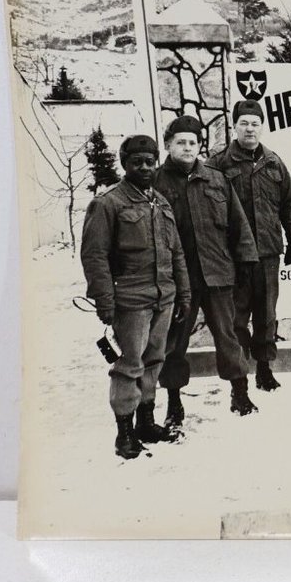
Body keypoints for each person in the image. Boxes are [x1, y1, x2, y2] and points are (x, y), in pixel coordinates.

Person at [80, 134, 191, 460]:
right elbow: (95, 256)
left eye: (150, 161)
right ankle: (124, 432)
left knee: (154, 361)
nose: (144, 167)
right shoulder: (108, 204)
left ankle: (146, 422)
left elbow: (177, 253)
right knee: (129, 365)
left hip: (163, 298)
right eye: (136, 162)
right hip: (131, 301)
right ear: (124, 164)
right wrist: (105, 300)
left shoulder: (160, 202)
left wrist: (183, 293)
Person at [153, 115, 261, 422]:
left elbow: (238, 226)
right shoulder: (156, 184)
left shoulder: (216, 179)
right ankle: (175, 403)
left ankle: (240, 393)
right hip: (178, 281)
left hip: (218, 274)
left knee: (229, 336)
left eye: (193, 142)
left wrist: (246, 263)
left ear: (200, 146)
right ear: (168, 145)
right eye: (181, 143)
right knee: (175, 343)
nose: (188, 148)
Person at [208, 100, 291, 392]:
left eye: (255, 123)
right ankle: (239, 379)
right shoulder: (219, 164)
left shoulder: (274, 162)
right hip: (234, 257)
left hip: (268, 254)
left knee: (266, 316)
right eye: (244, 123)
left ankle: (264, 369)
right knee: (235, 320)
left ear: (262, 126)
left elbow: (288, 204)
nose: (250, 128)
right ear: (234, 127)